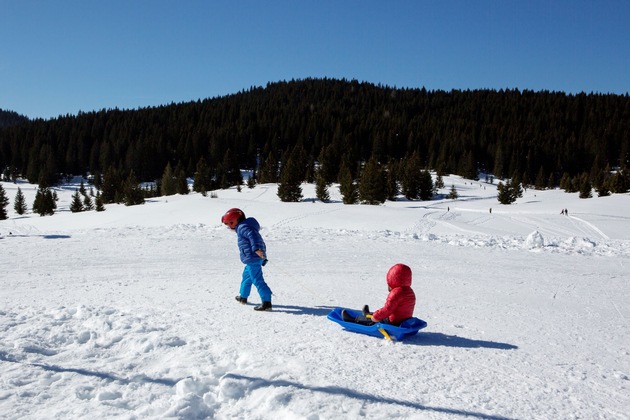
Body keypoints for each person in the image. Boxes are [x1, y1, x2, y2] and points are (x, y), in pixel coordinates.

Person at [221, 208, 272, 311]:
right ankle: (243, 297)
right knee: (246, 277)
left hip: (253, 257)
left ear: (234, 220)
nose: (229, 227)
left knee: (257, 280)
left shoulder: (243, 227)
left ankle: (267, 302)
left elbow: (254, 237)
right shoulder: (243, 227)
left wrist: (257, 248)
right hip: (252, 258)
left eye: (229, 223)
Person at [342, 263, 416, 326]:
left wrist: (375, 317)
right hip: (403, 321)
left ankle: (353, 319)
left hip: (393, 322)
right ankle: (368, 314)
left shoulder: (396, 292)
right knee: (380, 315)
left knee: (375, 319)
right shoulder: (409, 291)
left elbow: (387, 309)